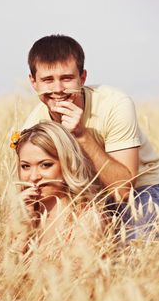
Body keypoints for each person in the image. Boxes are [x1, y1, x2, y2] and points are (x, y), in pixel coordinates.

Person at [23, 34, 159, 239]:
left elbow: (123, 191)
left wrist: (81, 135)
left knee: (132, 243)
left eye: (67, 78)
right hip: (86, 195)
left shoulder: (115, 104)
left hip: (142, 189)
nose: (58, 89)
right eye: (48, 80)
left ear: (82, 78)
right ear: (34, 82)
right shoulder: (34, 124)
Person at [11, 121, 106, 253]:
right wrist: (24, 232)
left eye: (45, 165)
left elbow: (80, 272)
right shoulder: (20, 216)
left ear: (68, 164)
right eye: (25, 166)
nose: (33, 177)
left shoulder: (86, 220)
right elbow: (3, 272)